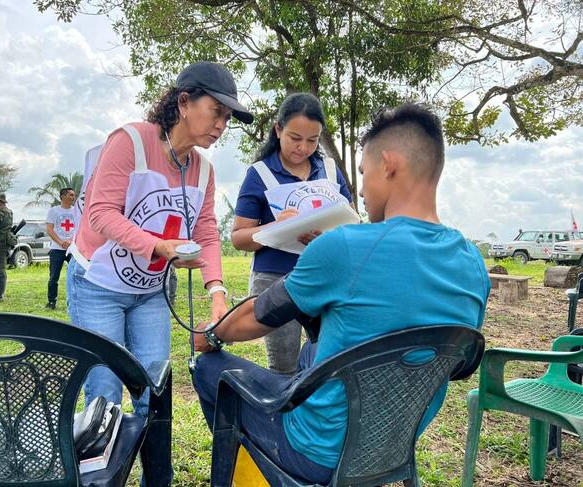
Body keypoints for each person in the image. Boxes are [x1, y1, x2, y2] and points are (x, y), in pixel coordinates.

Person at [192, 103, 491, 484]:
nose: (361, 191)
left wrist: (212, 334)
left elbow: (256, 316)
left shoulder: (345, 247)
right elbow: (458, 368)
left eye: (364, 174)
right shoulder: (474, 265)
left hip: (314, 452)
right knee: (311, 353)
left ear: (389, 164)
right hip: (393, 448)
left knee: (207, 367)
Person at [66, 61, 253, 424]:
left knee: (155, 389)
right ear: (183, 102)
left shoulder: (203, 170)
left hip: (150, 291)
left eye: (227, 118)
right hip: (98, 286)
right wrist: (161, 247)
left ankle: (153, 461)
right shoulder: (131, 141)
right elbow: (100, 213)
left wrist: (217, 293)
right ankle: (103, 462)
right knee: (104, 393)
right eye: (216, 111)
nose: (221, 125)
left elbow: (206, 232)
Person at [231, 92, 352, 374]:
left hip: (324, 276)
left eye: (312, 140)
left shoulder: (330, 170)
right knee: (283, 367)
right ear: (278, 129)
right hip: (274, 280)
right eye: (295, 138)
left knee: (329, 362)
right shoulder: (259, 174)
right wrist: (276, 227)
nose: (303, 148)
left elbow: (350, 222)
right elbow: (238, 237)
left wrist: (329, 237)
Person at [45, 187, 76, 310]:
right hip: (56, 249)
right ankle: (51, 302)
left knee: (74, 276)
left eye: (73, 195)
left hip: (72, 249)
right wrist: (61, 242)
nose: (73, 197)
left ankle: (73, 302)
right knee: (54, 277)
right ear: (63, 196)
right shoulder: (53, 211)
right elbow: (50, 229)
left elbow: (80, 228)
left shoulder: (76, 211)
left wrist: (70, 241)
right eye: (70, 195)